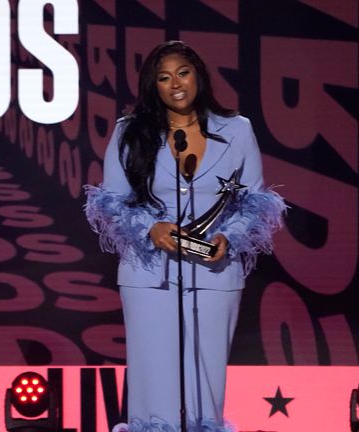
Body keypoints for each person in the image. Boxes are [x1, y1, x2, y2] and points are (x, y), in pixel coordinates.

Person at [84, 41, 286, 432]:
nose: (175, 83)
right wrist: (150, 228)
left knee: (204, 382)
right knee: (153, 378)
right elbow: (110, 204)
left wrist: (230, 237)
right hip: (149, 276)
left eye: (183, 72)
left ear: (198, 76)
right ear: (153, 87)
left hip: (214, 274)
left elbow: (255, 202)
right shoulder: (130, 132)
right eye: (163, 77)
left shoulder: (237, 130)